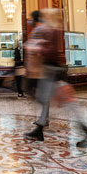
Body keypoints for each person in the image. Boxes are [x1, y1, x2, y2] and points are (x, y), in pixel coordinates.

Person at [24, 9, 64, 142]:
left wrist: (37, 48)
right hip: (46, 70)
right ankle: (41, 126)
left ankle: (84, 130)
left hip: (48, 70)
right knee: (44, 98)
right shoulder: (48, 29)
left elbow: (49, 51)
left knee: (66, 103)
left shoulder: (47, 30)